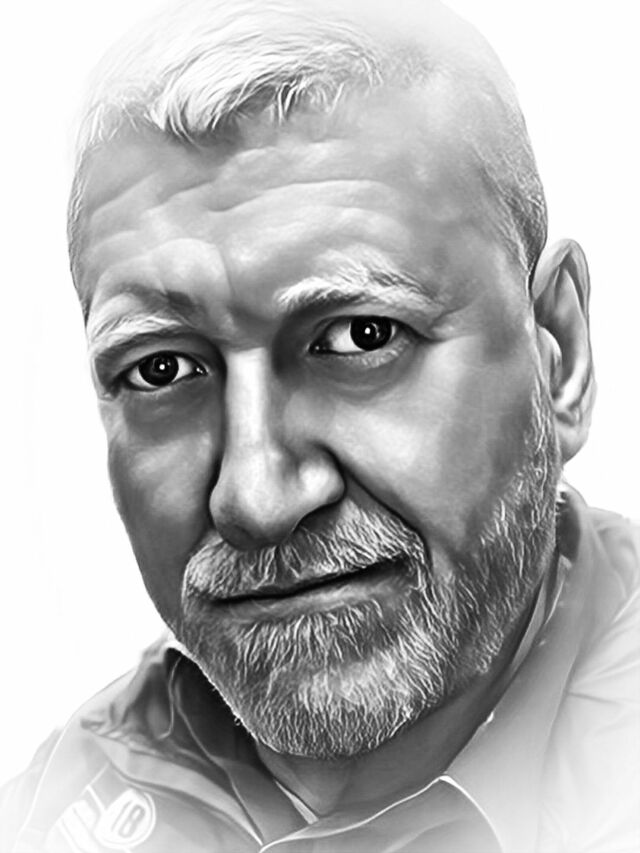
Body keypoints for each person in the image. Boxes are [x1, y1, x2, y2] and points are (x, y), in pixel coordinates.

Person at [2, 0, 639, 850]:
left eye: (362, 337)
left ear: (559, 353)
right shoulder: (52, 810)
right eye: (162, 369)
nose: (257, 497)